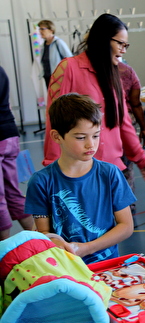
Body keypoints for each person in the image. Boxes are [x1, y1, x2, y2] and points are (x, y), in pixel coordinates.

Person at [42, 13, 145, 185]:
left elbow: (123, 122)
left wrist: (142, 160)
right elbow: (54, 121)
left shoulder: (113, 75)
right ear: (103, 40)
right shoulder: (69, 68)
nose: (123, 50)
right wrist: (51, 168)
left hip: (112, 169)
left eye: (126, 45)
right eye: (120, 43)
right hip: (79, 173)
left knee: (124, 212)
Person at [25, 93, 135, 264]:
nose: (90, 144)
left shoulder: (110, 174)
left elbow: (126, 227)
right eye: (81, 137)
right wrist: (57, 244)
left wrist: (86, 248)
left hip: (107, 266)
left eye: (96, 135)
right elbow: (43, 232)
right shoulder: (41, 181)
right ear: (56, 136)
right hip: (64, 269)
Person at [0, 66, 34, 240]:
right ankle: (40, 239)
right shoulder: (1, 70)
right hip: (9, 135)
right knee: (13, 192)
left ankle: (3, 251)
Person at [119, 62, 145, 214]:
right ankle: (128, 205)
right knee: (127, 167)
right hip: (127, 125)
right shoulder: (128, 71)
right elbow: (136, 103)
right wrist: (143, 128)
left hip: (102, 127)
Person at [38, 20, 73, 88]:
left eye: (42, 29)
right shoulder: (43, 45)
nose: (40, 31)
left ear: (51, 30)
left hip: (59, 78)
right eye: (39, 29)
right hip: (47, 77)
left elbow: (70, 59)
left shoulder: (58, 43)